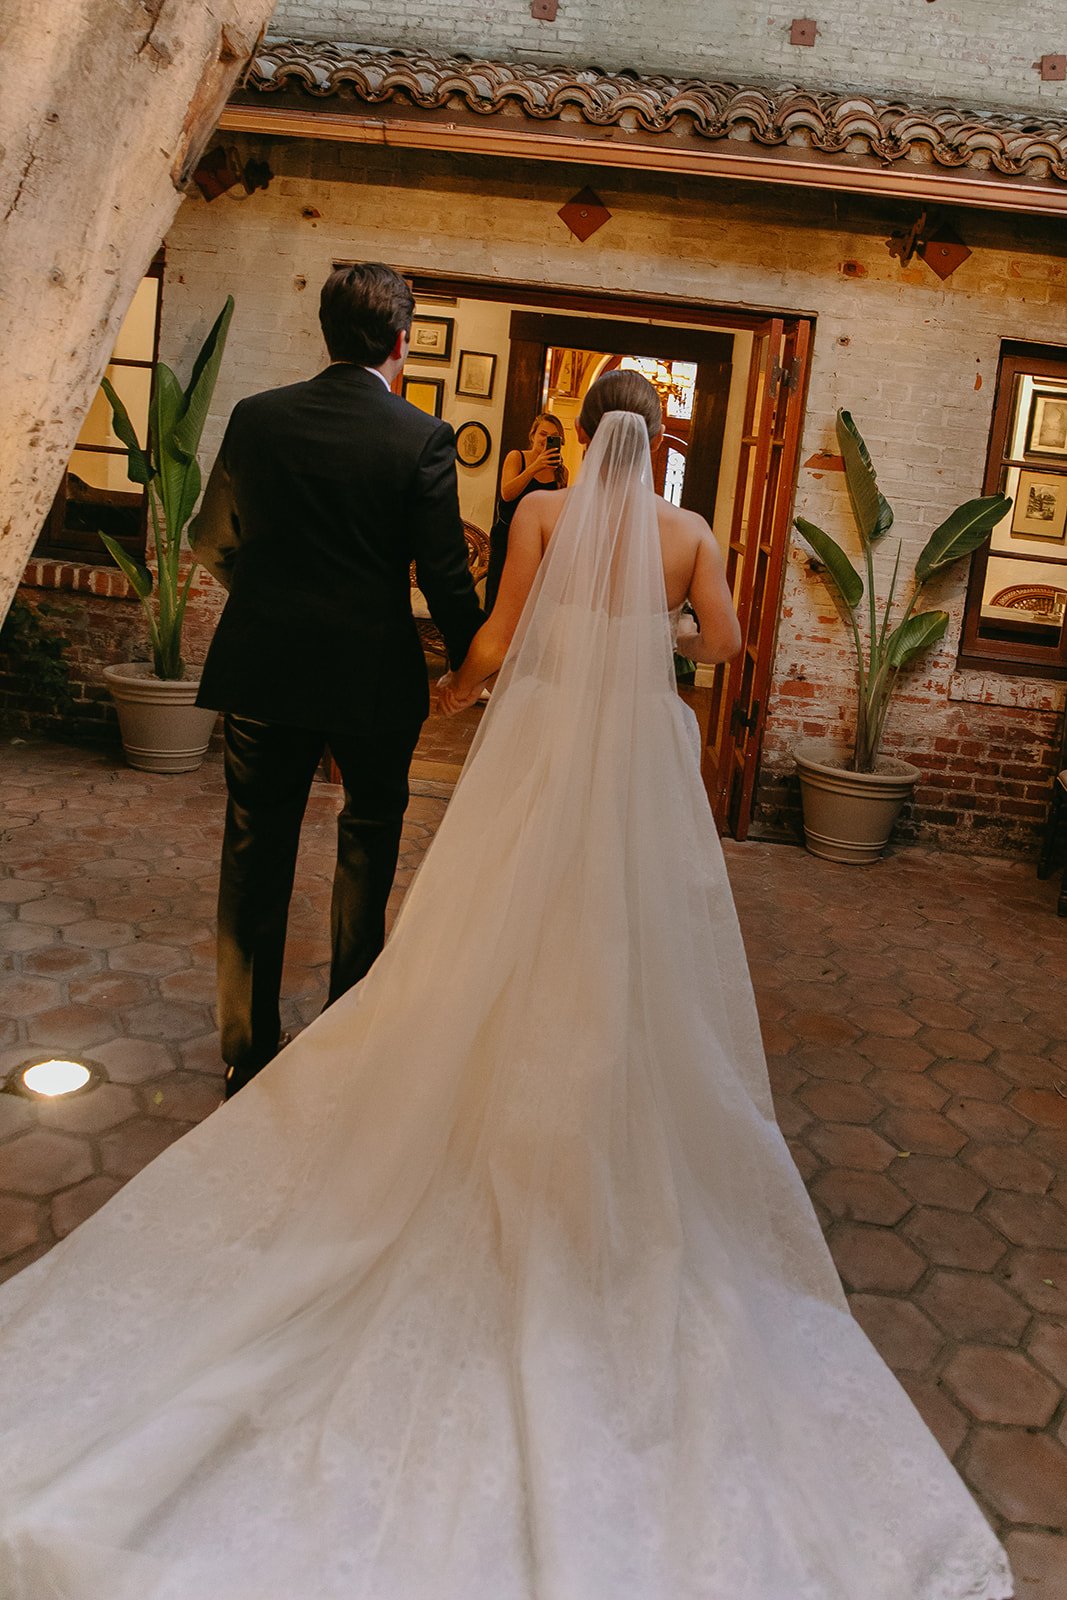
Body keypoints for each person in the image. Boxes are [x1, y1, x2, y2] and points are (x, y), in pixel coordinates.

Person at [0, 374, 1011, 1600]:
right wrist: (657, 639)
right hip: (636, 750)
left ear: (587, 436)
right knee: (626, 930)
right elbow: (733, 649)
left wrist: (464, 688)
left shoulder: (537, 508)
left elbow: (495, 632)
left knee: (493, 910)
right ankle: (599, 1094)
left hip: (536, 742)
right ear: (666, 443)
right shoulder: (687, 538)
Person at [188, 263, 483, 1097]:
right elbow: (445, 577)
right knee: (369, 838)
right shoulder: (419, 437)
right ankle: (350, 1024)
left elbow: (210, 537)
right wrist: (472, 665)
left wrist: (268, 603)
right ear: (402, 342)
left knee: (254, 847)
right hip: (372, 677)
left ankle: (246, 1048)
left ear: (327, 333)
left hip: (263, 668)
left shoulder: (257, 416)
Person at [483, 410, 567, 612]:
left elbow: (557, 512)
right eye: (543, 434)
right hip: (507, 538)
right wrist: (534, 468)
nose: (546, 440)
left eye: (553, 437)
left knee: (527, 605)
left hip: (536, 544)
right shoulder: (517, 457)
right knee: (497, 600)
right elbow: (507, 493)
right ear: (533, 435)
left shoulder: (561, 472)